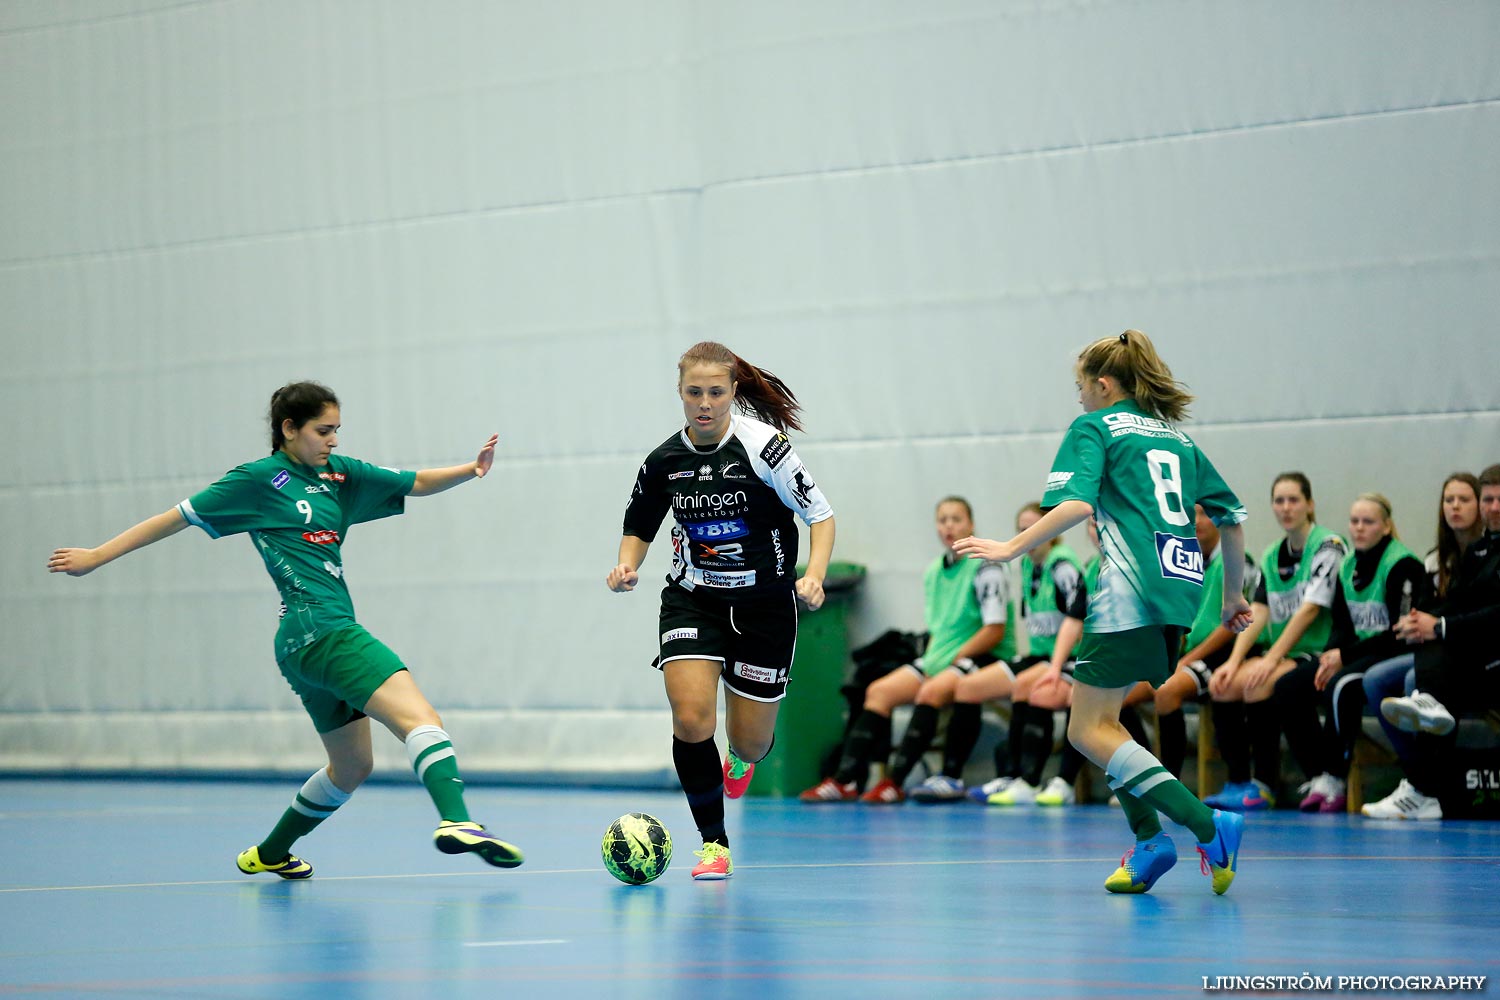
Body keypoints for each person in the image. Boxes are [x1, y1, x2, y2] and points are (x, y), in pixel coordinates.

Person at [47, 381, 522, 879]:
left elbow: (415, 481)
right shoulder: (257, 480)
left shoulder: (340, 474)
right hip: (326, 630)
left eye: (337, 430)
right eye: (322, 430)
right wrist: (97, 555)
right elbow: (176, 518)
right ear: (289, 429)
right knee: (420, 718)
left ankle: (271, 852)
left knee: (352, 767)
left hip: (300, 644)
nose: (332, 440)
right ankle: (457, 820)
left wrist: (470, 470)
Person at [956, 329, 1252, 896]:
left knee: (1088, 729)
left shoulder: (1094, 427)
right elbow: (1232, 519)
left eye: (1080, 388)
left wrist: (1009, 546)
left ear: (1103, 383)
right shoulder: (1178, 440)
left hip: (1128, 592)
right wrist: (1232, 597)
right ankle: (1149, 843)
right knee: (1104, 725)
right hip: (1180, 591)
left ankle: (1207, 824)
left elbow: (1076, 504)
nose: (1079, 400)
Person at [607, 342, 835, 878]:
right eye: (694, 393)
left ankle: (741, 759)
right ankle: (714, 843)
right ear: (680, 394)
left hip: (765, 607)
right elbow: (640, 522)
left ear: (733, 392)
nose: (704, 404)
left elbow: (820, 516)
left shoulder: (765, 449)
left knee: (751, 742)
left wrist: (815, 575)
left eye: (715, 392)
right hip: (695, 599)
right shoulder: (665, 461)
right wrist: (625, 565)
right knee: (691, 719)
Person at [798, 496, 1009, 805]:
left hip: (978, 657)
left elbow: (995, 629)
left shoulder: (986, 567)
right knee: (878, 691)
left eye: (956, 519)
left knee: (930, 692)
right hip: (940, 657)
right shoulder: (935, 571)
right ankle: (845, 780)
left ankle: (894, 783)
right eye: (943, 520)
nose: (949, 526)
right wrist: (935, 660)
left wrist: (954, 659)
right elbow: (939, 628)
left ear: (971, 524)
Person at [1204, 473, 1345, 811]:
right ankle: (1241, 780)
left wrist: (1270, 660)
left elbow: (1310, 611)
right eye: (1279, 501)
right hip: (1284, 653)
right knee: (1222, 685)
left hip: (1321, 650)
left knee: (1263, 683)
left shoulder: (1329, 546)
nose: (1285, 508)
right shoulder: (1272, 555)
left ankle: (1269, 783)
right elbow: (1259, 612)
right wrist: (1233, 662)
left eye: (1293, 500)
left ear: (1309, 505)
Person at [1367, 469, 1500, 820]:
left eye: (1466, 499)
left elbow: (1481, 614)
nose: (1493, 507)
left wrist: (1437, 625)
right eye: (1488, 499)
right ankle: (1420, 782)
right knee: (1376, 680)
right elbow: (1454, 605)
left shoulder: (1485, 551)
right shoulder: (1461, 555)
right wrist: (1421, 622)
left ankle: (1424, 787)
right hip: (1460, 645)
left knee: (1417, 678)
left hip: (1483, 652)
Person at [1291, 494, 1426, 812]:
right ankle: (1317, 775)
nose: (1360, 528)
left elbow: (1399, 632)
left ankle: (1337, 778)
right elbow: (1340, 622)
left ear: (1386, 526)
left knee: (1342, 687)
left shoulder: (1402, 565)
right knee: (1290, 687)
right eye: (1355, 521)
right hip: (1357, 651)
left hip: (1391, 652)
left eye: (1368, 522)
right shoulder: (1348, 564)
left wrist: (1344, 656)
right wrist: (1331, 653)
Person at [1152, 506, 1261, 781]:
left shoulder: (1236, 561)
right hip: (1192, 653)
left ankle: (1168, 782)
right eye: (1190, 514)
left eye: (1203, 514)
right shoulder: (1186, 562)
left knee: (1166, 691)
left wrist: (1187, 660)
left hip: (1223, 653)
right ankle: (1136, 775)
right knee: (1122, 692)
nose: (1196, 521)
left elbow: (1236, 622)